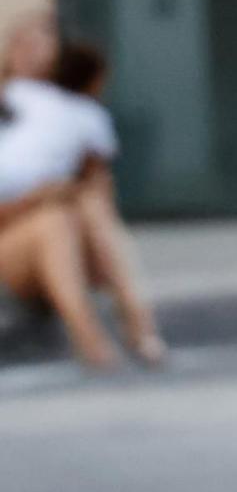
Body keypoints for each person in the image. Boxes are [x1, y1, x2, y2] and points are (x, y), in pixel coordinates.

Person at [0, 20, 164, 369]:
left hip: (70, 235)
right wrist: (37, 199)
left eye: (41, 45)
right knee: (52, 220)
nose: (30, 53)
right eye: (23, 44)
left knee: (87, 206)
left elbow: (99, 190)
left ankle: (138, 323)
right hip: (12, 240)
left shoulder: (80, 113)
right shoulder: (7, 102)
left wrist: (65, 194)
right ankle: (94, 338)